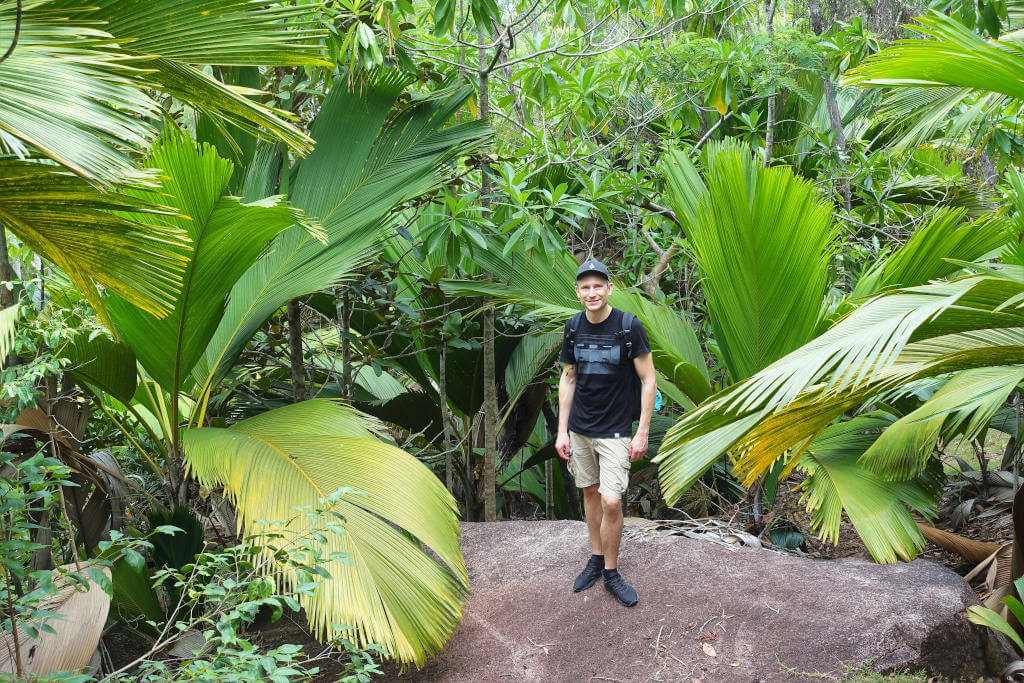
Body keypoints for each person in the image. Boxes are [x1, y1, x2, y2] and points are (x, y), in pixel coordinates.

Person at [556, 259, 656, 607]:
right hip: (580, 429)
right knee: (590, 493)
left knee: (612, 501)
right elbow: (568, 378)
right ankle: (596, 558)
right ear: (578, 292)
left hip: (615, 431)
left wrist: (641, 431)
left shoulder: (628, 326)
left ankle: (611, 572)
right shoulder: (572, 327)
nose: (592, 292)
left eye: (598, 286)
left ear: (609, 289)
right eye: (586, 287)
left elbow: (648, 379)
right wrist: (561, 430)